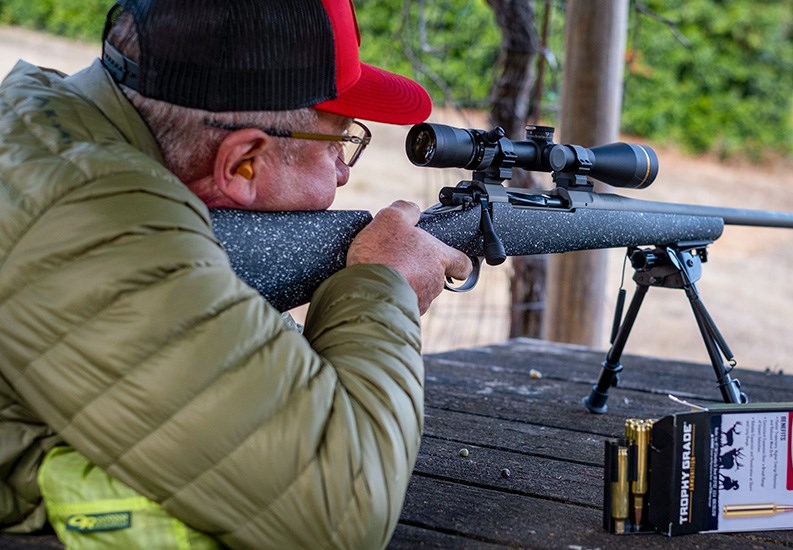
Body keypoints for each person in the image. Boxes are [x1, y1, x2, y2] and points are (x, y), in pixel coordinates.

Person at [0, 0, 471, 548]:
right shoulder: (103, 223)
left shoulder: (42, 121)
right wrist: (382, 284)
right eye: (342, 139)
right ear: (243, 162)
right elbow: (338, 510)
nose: (344, 171)